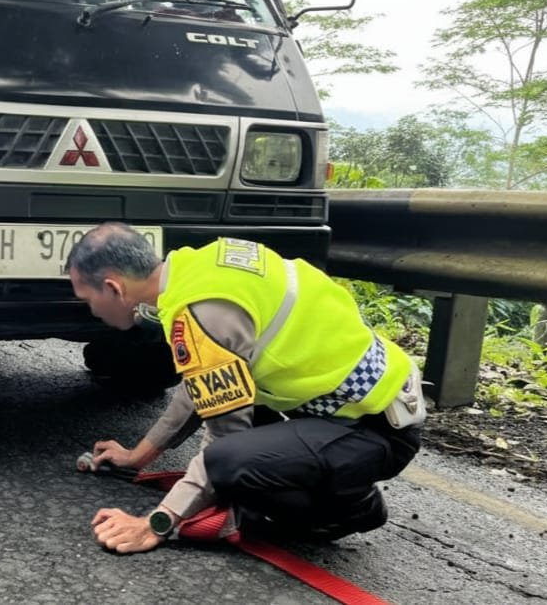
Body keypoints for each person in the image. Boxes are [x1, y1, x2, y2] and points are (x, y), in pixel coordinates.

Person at [66, 223, 425, 553]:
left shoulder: (200, 311)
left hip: (375, 432)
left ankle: (348, 508)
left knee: (229, 463)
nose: (92, 311)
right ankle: (337, 487)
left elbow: (224, 441)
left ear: (114, 288)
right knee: (237, 448)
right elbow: (200, 389)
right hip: (377, 406)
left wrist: (156, 523)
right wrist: (138, 456)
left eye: (88, 300)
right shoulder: (202, 266)